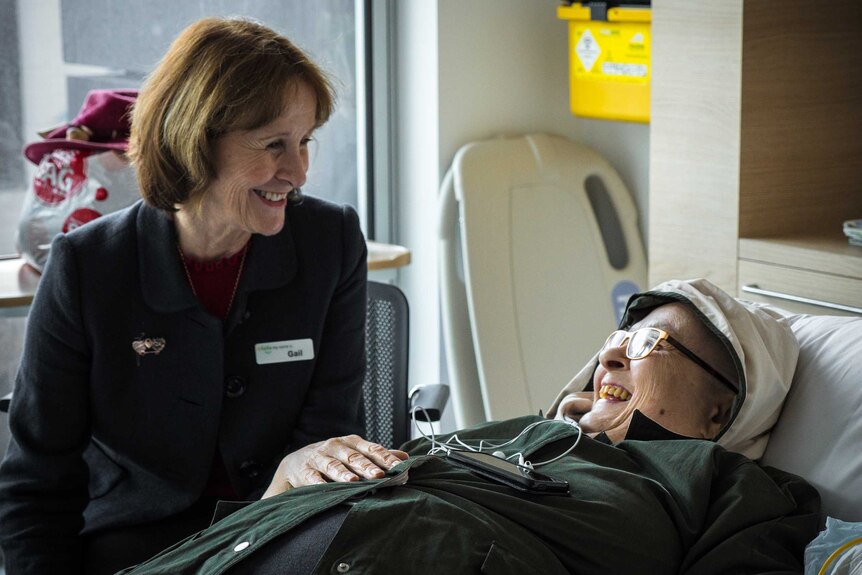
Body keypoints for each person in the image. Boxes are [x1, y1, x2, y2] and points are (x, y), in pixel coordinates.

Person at [0, 17, 404, 575]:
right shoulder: (88, 267)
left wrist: (279, 509)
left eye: (305, 141)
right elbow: (36, 484)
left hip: (287, 525)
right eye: (273, 145)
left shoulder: (329, 242)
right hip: (139, 543)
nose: (299, 172)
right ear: (194, 140)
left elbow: (328, 433)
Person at [118, 278, 822, 574]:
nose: (610, 350)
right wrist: (285, 484)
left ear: (719, 411)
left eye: (648, 344)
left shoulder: (736, 485)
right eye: (616, 333)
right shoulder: (515, 432)